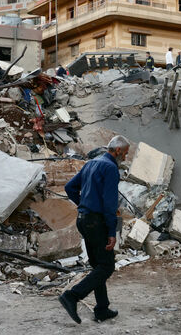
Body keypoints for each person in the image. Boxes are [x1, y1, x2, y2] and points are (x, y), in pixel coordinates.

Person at [59, 135, 130, 324]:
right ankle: (72, 296)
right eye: (125, 154)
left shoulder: (92, 163)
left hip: (83, 220)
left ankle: (101, 309)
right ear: (117, 151)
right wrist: (111, 232)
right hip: (96, 222)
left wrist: (84, 205)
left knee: (98, 266)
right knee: (106, 266)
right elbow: (109, 204)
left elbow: (69, 187)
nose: (125, 158)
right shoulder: (110, 168)